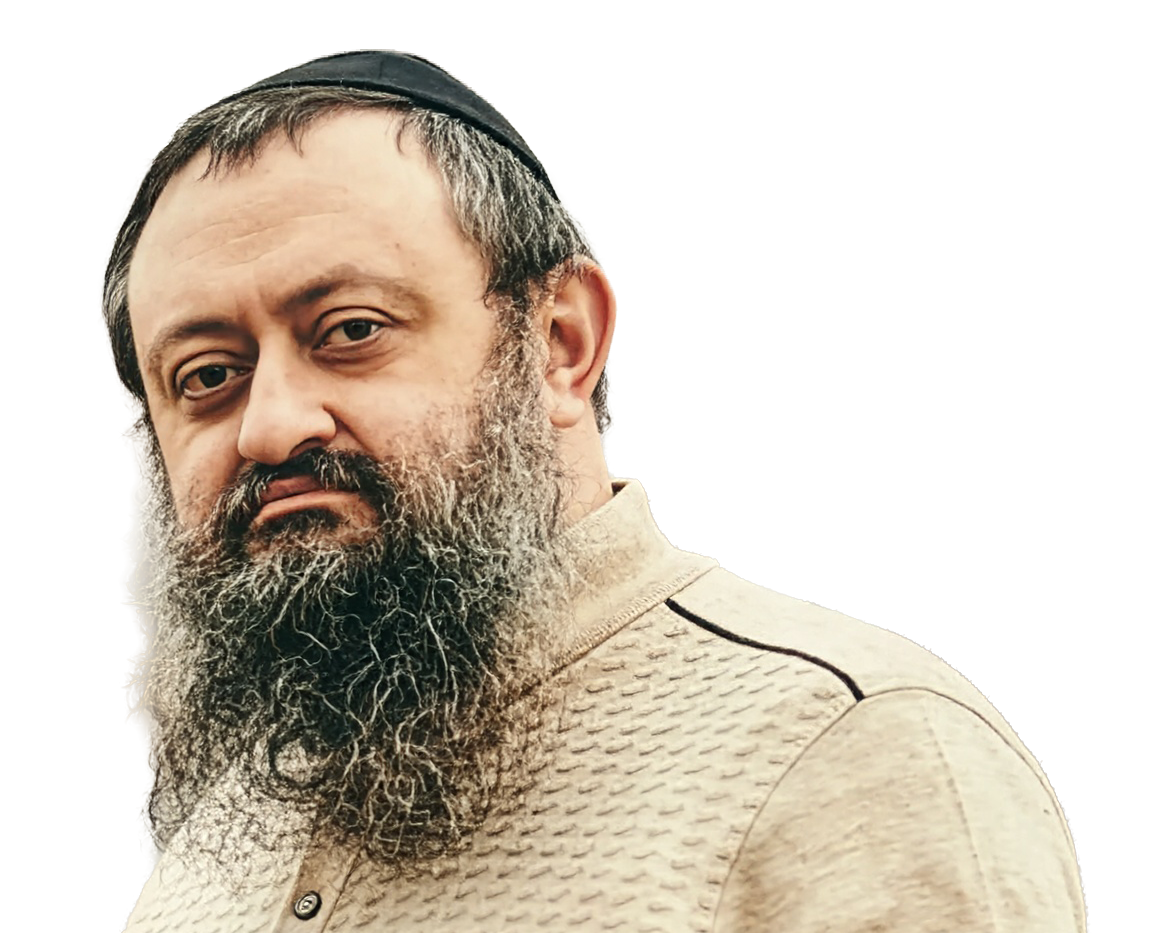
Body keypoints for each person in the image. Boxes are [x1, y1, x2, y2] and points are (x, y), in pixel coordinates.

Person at [102, 50, 1084, 933]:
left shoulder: (855, 754)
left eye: (352, 330)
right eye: (207, 375)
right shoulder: (224, 837)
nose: (271, 426)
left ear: (561, 342)